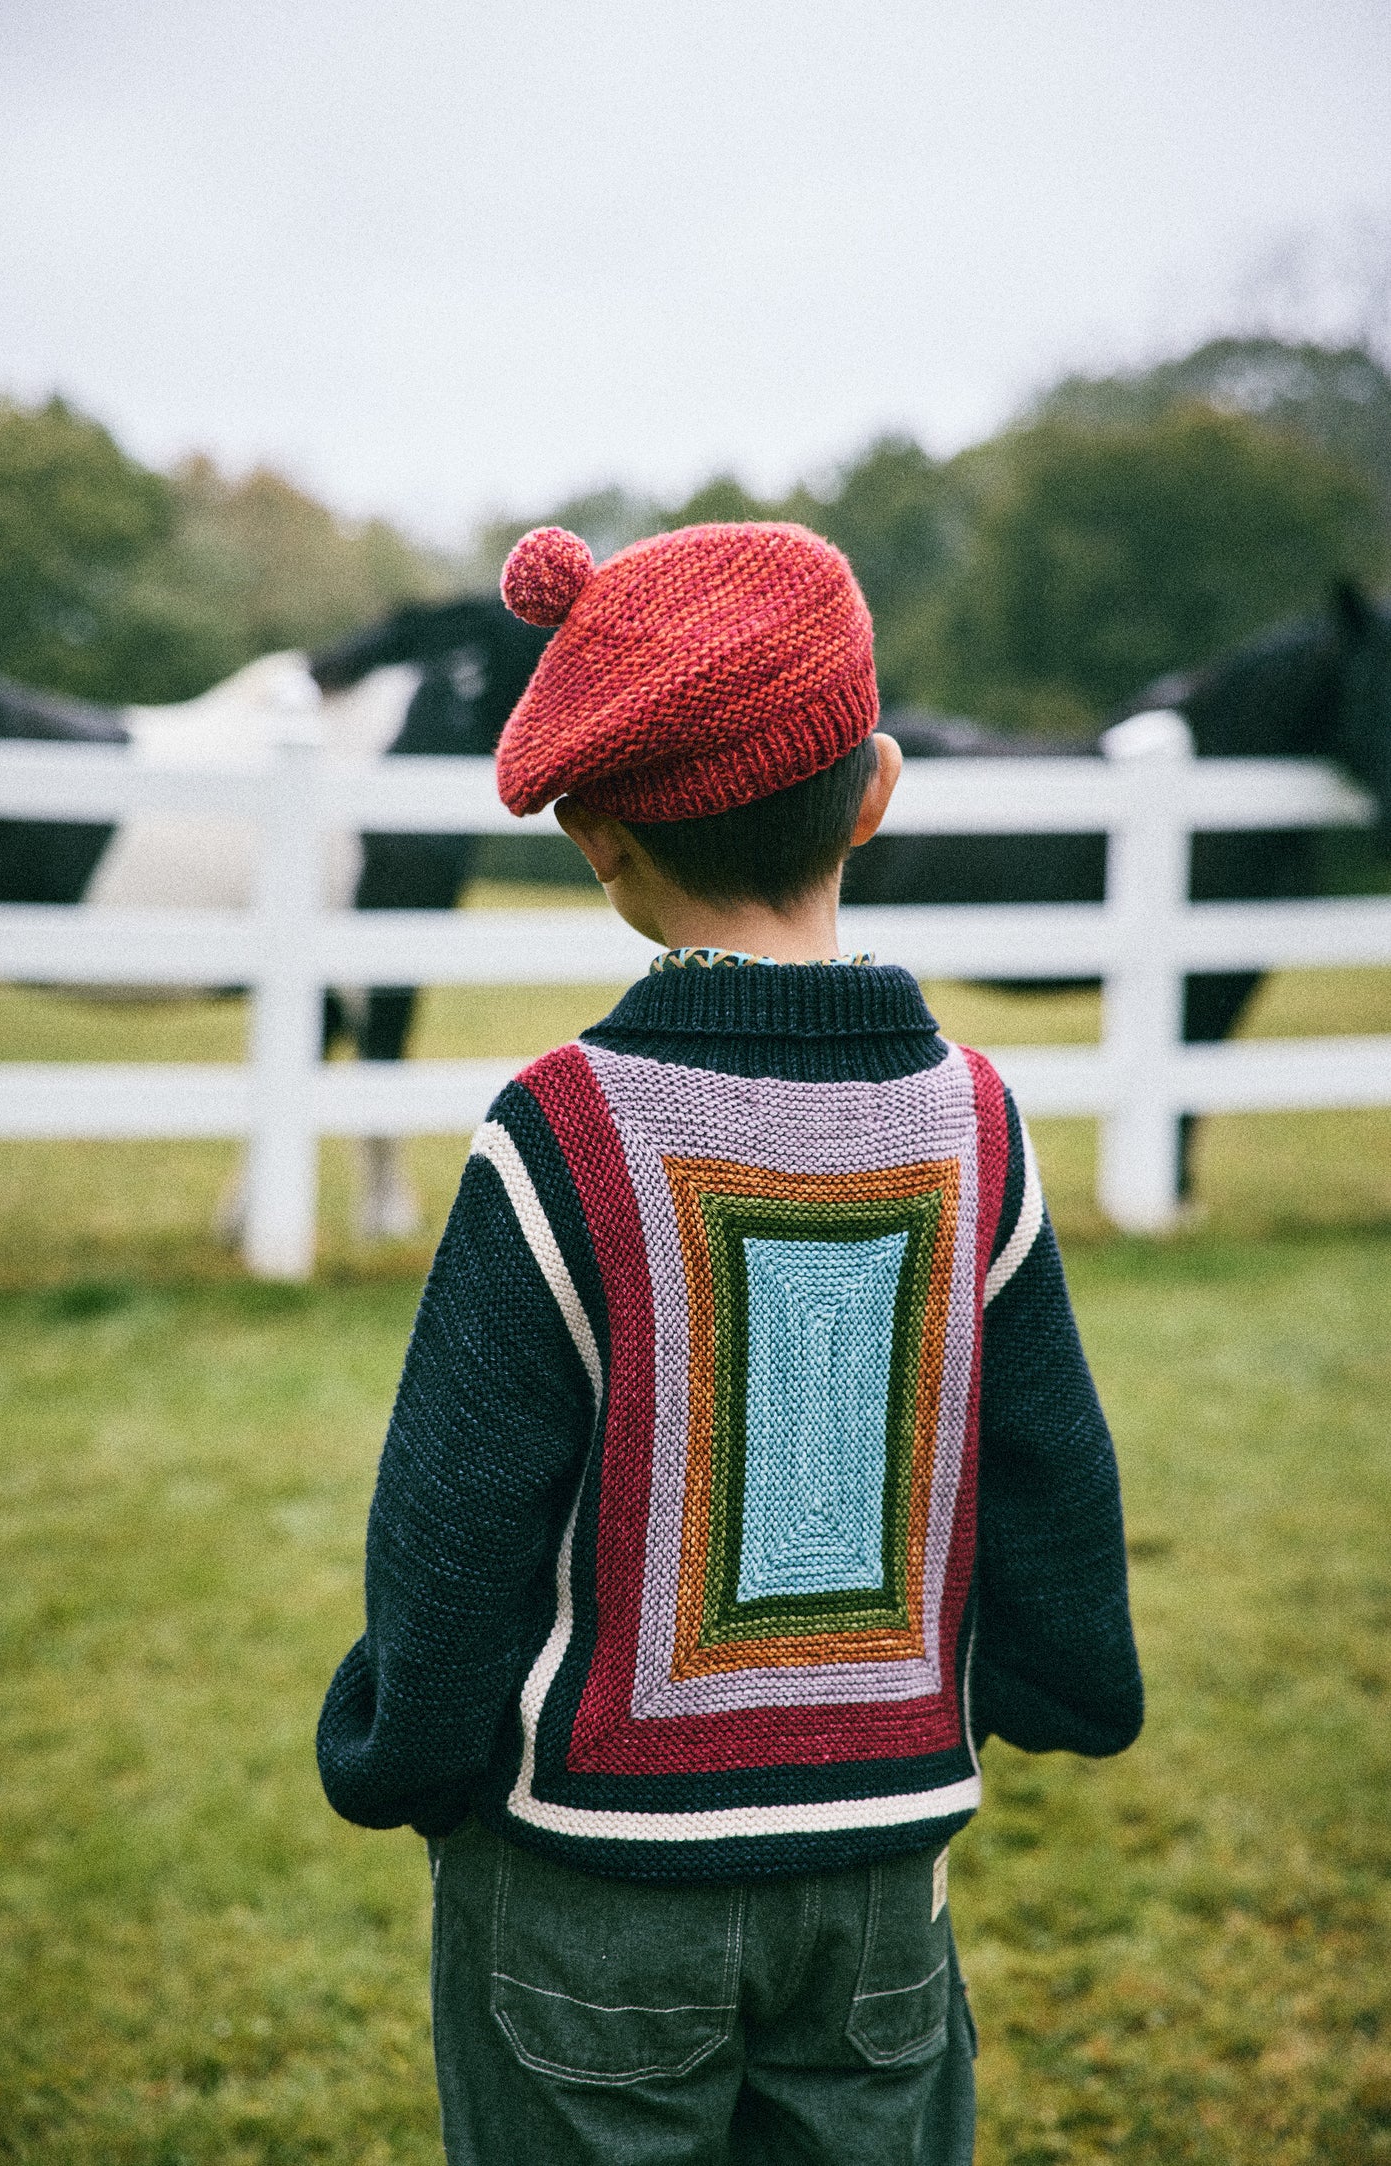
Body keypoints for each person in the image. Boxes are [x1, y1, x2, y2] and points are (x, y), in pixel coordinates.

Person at [317, 520, 1143, 2166]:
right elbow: (1049, 1460)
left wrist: (398, 1744)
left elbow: (455, 1515)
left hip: (585, 1889)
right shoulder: (974, 1126)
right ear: (880, 787)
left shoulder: (558, 1133)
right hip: (877, 1885)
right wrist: (1069, 1681)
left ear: (598, 842)